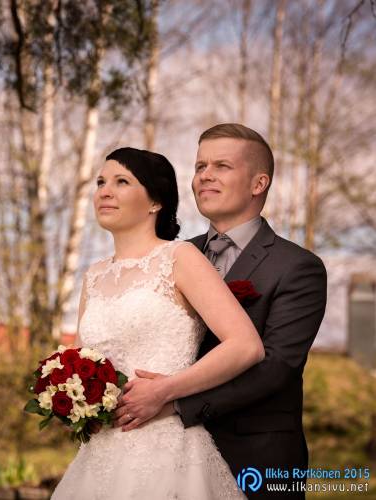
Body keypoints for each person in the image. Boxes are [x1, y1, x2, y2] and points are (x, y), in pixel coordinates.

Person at [113, 124, 327, 499]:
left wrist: (172, 402)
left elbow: (275, 367)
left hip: (255, 457)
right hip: (163, 454)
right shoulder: (169, 256)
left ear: (259, 183)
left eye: (221, 166)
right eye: (200, 166)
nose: (205, 176)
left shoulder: (297, 267)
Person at [51, 146, 264, 499]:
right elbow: (83, 362)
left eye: (122, 182)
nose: (105, 191)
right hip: (100, 454)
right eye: (101, 182)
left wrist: (166, 390)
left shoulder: (180, 257)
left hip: (167, 450)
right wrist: (72, 400)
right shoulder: (93, 276)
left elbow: (246, 345)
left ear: (155, 202)